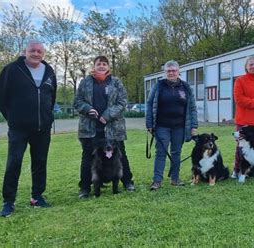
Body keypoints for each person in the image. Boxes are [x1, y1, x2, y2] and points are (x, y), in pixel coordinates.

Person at [0, 40, 57, 217]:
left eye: (39, 51)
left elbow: (51, 96)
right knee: (14, 163)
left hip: (42, 128)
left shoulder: (49, 71)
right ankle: (8, 201)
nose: (36, 54)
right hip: (18, 128)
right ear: (25, 51)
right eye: (32, 51)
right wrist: (12, 118)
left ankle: (37, 196)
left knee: (40, 162)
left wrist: (46, 116)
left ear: (43, 53)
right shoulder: (12, 70)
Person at [74, 55, 135, 199]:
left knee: (120, 156)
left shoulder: (116, 82)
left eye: (104, 64)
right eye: (98, 64)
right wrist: (87, 109)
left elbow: (122, 102)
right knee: (88, 157)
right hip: (90, 128)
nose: (101, 66)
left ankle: (127, 181)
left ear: (108, 67)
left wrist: (107, 114)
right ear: (93, 67)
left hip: (113, 127)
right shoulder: (85, 82)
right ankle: (84, 188)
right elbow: (77, 101)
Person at [146, 60, 198, 191]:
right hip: (162, 126)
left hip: (180, 127)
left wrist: (194, 126)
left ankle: (175, 179)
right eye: (168, 71)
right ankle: (157, 181)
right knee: (161, 153)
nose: (171, 73)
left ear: (178, 71)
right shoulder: (158, 86)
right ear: (165, 72)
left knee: (176, 152)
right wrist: (149, 124)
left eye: (174, 70)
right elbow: (149, 104)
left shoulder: (186, 87)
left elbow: (192, 108)